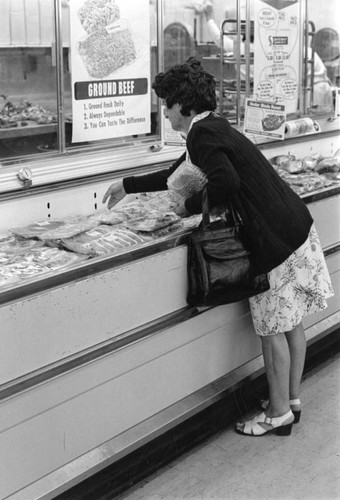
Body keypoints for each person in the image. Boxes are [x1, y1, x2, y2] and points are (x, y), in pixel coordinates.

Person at [102, 58, 334, 436]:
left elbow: (223, 182)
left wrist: (188, 207)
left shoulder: (202, 134)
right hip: (296, 227)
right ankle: (291, 400)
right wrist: (128, 184)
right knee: (292, 321)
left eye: (168, 104)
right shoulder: (213, 126)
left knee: (272, 327)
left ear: (185, 106)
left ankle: (277, 415)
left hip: (271, 240)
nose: (165, 111)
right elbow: (177, 173)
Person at [204, 1, 333, 112]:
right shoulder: (284, 48)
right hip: (305, 91)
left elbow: (218, 38)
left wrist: (209, 18)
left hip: (310, 92)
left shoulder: (241, 48)